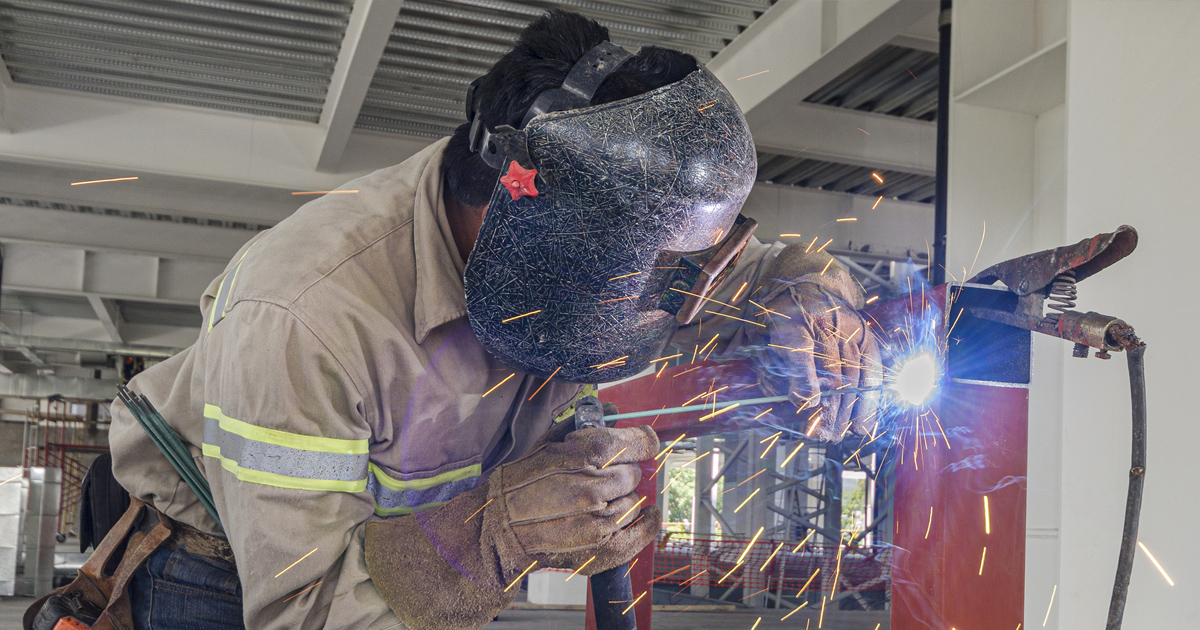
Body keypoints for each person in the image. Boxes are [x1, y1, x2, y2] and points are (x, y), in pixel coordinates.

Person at [108, 10, 881, 630]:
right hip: (215, 574)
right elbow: (307, 611)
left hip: (410, 553)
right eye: (636, 272)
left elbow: (775, 269)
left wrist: (814, 301)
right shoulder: (308, 316)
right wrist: (499, 528)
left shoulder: (610, 242)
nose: (661, 296)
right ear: (541, 232)